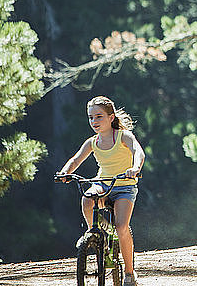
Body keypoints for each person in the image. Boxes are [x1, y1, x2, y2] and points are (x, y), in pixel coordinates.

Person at [58, 96, 145, 286]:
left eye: (99, 117)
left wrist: (135, 167)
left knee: (122, 227)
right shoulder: (92, 142)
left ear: (111, 117)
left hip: (124, 186)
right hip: (103, 184)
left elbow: (138, 151)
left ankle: (129, 273)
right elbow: (75, 160)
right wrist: (66, 172)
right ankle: (94, 234)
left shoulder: (123, 136)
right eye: (91, 118)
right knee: (87, 199)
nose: (94, 122)